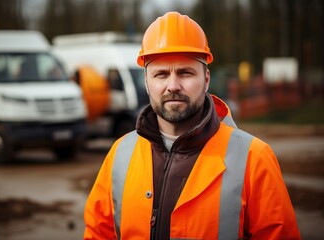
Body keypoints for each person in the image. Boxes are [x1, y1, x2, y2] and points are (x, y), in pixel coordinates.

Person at [83, 12, 301, 240]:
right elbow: (98, 233)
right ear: (147, 82)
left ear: (206, 79)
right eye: (161, 74)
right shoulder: (120, 154)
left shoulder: (254, 159)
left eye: (185, 72)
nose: (173, 85)